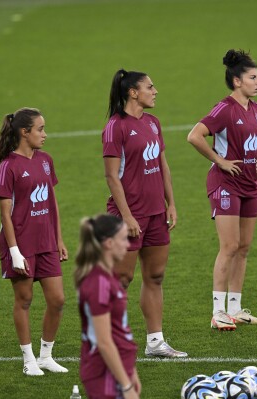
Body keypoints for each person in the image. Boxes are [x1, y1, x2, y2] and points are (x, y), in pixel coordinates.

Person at [102, 69, 186, 357]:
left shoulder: (153, 123)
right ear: (133, 93)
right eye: (150, 86)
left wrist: (171, 203)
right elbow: (112, 177)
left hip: (155, 213)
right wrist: (126, 216)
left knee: (156, 276)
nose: (156, 91)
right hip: (128, 215)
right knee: (122, 278)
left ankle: (155, 342)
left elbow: (163, 165)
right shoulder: (116, 127)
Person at [187, 49, 257, 331]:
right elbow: (194, 136)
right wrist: (219, 161)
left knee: (244, 248)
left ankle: (235, 308)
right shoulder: (224, 109)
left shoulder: (256, 110)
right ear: (237, 81)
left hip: (249, 184)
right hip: (225, 184)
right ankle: (217, 311)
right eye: (252, 77)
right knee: (230, 246)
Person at [0, 107, 69, 375]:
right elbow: (5, 213)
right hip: (21, 244)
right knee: (24, 300)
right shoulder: (8, 166)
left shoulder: (46, 160)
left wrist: (59, 238)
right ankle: (28, 360)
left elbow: (52, 203)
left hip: (47, 242)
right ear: (24, 133)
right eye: (40, 129)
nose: (44, 134)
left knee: (58, 299)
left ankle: (46, 356)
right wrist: (14, 252)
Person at [76, 214, 141, 399]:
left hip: (118, 368)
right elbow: (104, 342)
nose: (128, 245)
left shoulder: (109, 276)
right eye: (123, 239)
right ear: (109, 244)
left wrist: (131, 371)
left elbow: (119, 329)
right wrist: (126, 386)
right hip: (104, 373)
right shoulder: (99, 285)